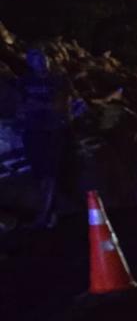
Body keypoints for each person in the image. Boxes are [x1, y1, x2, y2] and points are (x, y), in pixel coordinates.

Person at [17, 46, 84, 228]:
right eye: (33, 58)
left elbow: (62, 104)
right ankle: (50, 211)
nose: (38, 61)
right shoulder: (25, 81)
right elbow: (21, 105)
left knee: (50, 172)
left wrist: (40, 105)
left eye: (41, 57)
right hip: (32, 131)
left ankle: (45, 214)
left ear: (48, 59)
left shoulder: (59, 80)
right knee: (39, 173)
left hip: (54, 131)